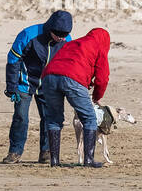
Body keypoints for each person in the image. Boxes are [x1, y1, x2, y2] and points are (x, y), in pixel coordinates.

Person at [3, 10, 73, 163]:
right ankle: (15, 152)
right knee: (21, 118)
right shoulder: (29, 34)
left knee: (50, 118)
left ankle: (46, 152)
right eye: (58, 34)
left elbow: (68, 64)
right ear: (50, 28)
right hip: (25, 84)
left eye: (65, 34)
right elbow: (13, 59)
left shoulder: (67, 39)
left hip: (49, 85)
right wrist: (11, 87)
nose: (61, 38)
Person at [40, 27, 111, 168]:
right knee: (89, 118)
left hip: (48, 77)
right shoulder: (99, 46)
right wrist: (96, 97)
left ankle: (54, 161)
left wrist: (86, 80)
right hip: (72, 79)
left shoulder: (73, 43)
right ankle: (88, 160)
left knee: (54, 119)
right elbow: (102, 78)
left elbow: (67, 62)